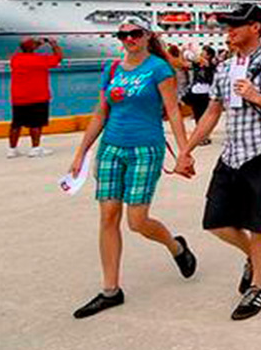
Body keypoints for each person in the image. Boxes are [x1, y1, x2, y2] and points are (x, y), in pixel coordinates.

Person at [176, 3, 261, 321]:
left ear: (256, 27)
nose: (229, 29)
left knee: (258, 222)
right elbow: (212, 111)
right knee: (215, 221)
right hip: (232, 154)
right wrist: (186, 149)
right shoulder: (224, 66)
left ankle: (259, 286)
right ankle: (258, 254)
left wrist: (256, 96)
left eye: (236, 24)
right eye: (227, 24)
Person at [68, 16, 196, 319]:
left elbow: (173, 113)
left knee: (137, 221)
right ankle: (110, 290)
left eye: (134, 34)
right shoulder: (111, 68)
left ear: (146, 35)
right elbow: (101, 112)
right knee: (108, 218)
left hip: (145, 149)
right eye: (122, 35)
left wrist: (184, 152)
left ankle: (176, 246)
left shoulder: (159, 69)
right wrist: (81, 153)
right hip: (111, 147)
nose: (128, 39)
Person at [8, 36, 63, 158]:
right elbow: (58, 58)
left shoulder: (15, 59)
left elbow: (27, 48)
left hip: (18, 97)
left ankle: (12, 149)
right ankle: (35, 148)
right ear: (33, 47)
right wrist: (53, 44)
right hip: (37, 96)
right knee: (36, 124)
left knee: (16, 124)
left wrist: (36, 44)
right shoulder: (39, 59)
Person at [182, 46, 216, 146]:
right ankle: (202, 136)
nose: (201, 54)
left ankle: (204, 136)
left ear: (209, 55)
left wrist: (192, 52)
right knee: (198, 115)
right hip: (196, 92)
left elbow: (197, 59)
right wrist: (186, 52)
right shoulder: (196, 64)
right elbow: (187, 59)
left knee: (204, 115)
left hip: (206, 93)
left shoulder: (210, 64)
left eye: (204, 52)